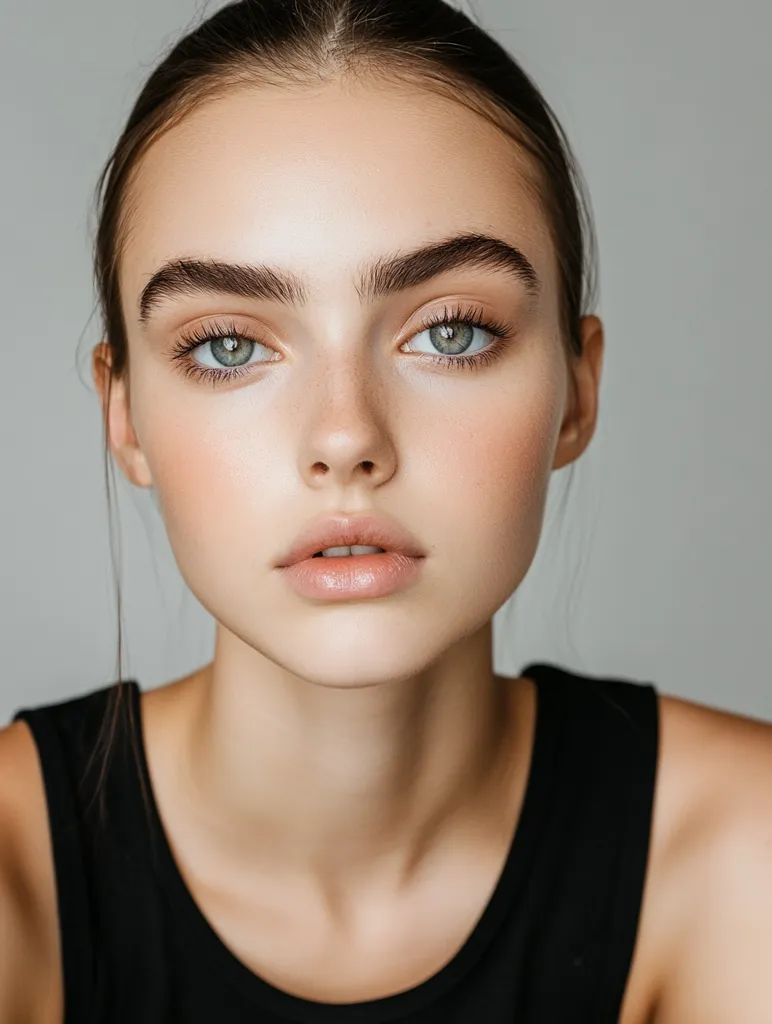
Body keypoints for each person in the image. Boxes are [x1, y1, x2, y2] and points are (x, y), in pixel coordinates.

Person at [1, 1, 771, 1020]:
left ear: (576, 391)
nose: (344, 436)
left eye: (449, 332)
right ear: (126, 412)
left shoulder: (744, 852)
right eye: (229, 345)